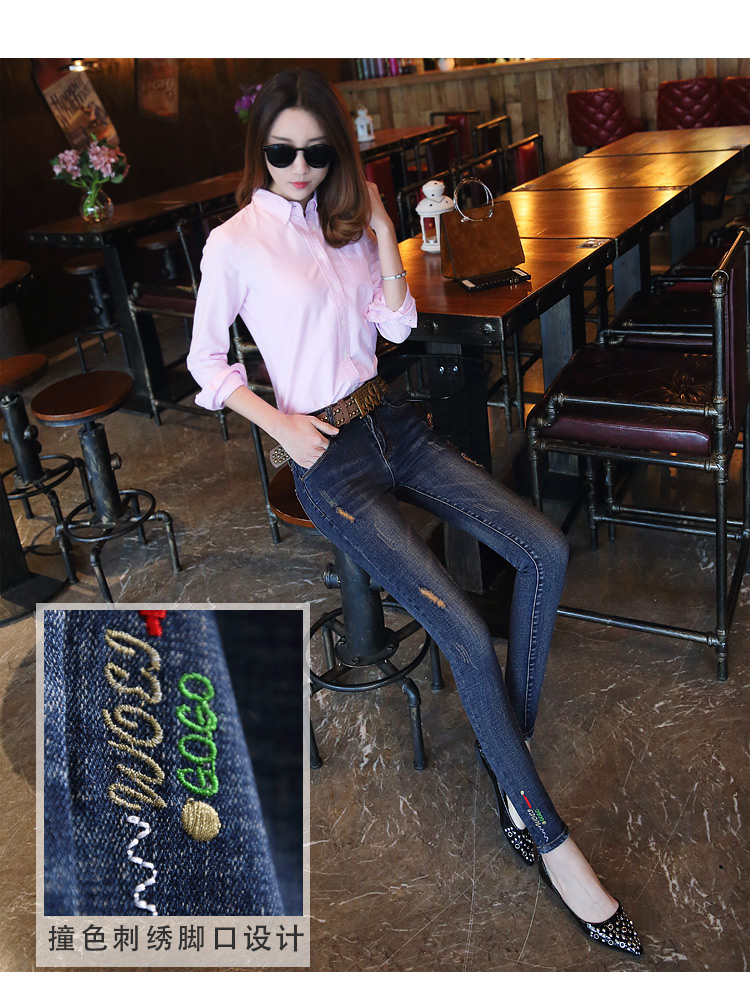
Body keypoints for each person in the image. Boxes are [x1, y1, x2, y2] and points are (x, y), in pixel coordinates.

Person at [187, 68, 642, 957]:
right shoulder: (234, 242)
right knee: (464, 632)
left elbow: (395, 329)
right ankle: (552, 839)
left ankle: (507, 771)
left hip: (391, 422)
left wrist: (380, 229)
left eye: (317, 152)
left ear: (336, 153)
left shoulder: (349, 223)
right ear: (260, 150)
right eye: (281, 151)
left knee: (544, 549)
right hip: (327, 458)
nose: (299, 167)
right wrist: (279, 425)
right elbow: (206, 364)